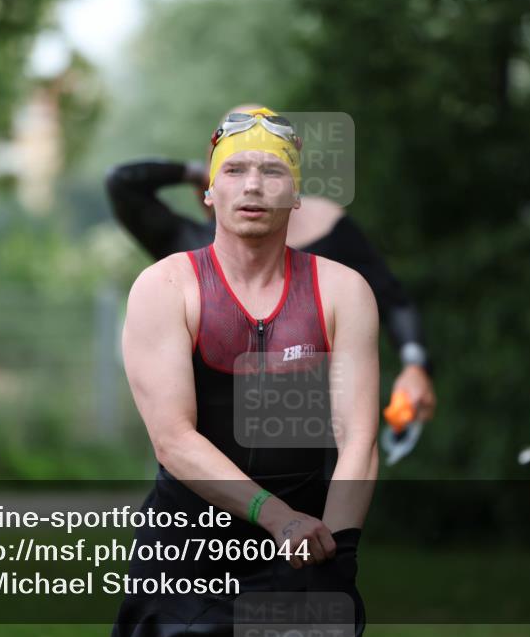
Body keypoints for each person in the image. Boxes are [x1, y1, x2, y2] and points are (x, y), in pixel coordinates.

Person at [111, 107, 379, 637]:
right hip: (186, 551)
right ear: (209, 191)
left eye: (273, 171)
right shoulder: (166, 287)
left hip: (302, 550)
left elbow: (359, 437)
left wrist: (340, 552)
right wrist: (278, 518)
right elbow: (174, 440)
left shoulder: (343, 290)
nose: (253, 185)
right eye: (234, 171)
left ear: (297, 197)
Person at [106, 106, 436, 429]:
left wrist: (414, 366)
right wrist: (201, 170)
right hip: (204, 448)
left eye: (268, 163)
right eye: (235, 165)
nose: (252, 182)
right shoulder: (186, 243)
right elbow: (122, 183)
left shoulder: (328, 228)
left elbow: (392, 299)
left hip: (311, 439)